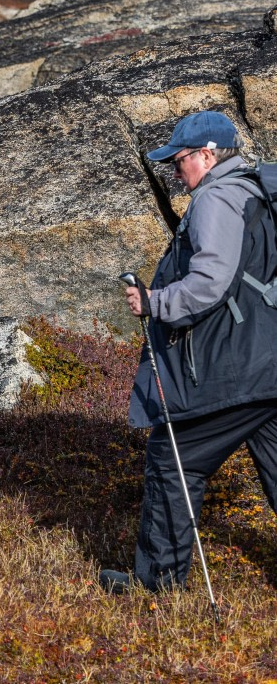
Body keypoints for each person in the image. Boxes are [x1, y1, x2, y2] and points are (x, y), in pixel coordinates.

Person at [100, 110, 277, 593]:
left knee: (173, 460)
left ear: (207, 155)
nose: (175, 175)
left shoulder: (216, 199)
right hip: (269, 362)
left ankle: (159, 586)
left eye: (179, 163)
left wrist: (154, 302)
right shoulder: (256, 190)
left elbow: (209, 283)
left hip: (232, 368)